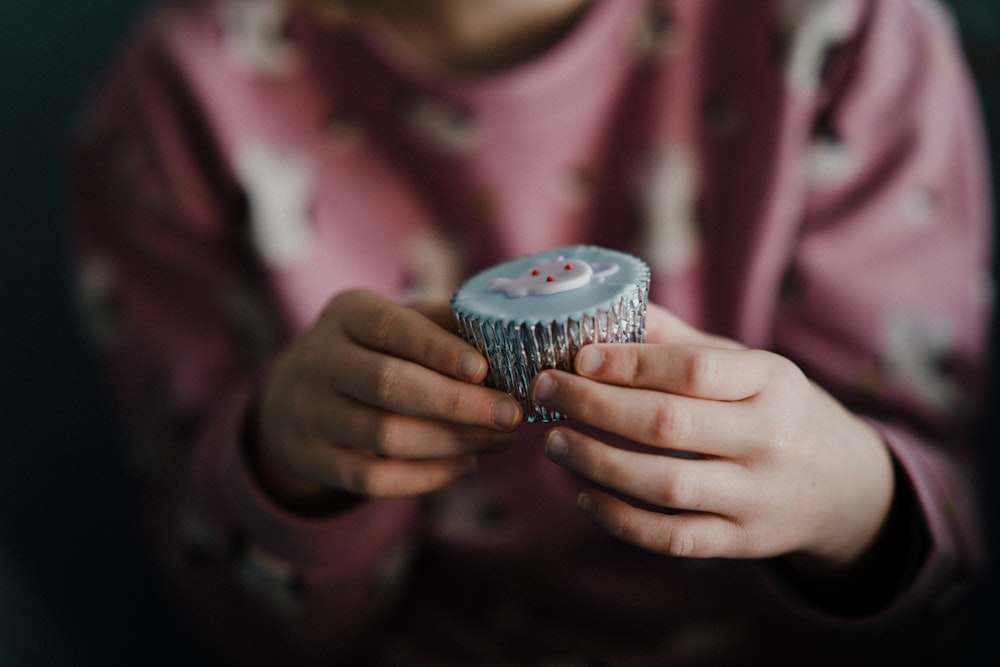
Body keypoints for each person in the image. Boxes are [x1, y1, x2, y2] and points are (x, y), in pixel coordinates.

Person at [71, 0, 992, 664]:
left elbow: (952, 563)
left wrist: (849, 501)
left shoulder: (846, 32)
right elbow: (229, 614)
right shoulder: (176, 108)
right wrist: (284, 465)